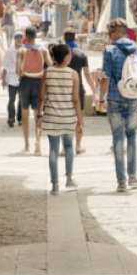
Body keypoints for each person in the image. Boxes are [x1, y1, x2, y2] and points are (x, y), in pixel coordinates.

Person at [98, 18, 137, 192]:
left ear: (115, 32)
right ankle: (133, 177)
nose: (109, 37)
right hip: (132, 99)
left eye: (109, 33)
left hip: (114, 98)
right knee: (132, 137)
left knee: (117, 139)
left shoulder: (109, 50)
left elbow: (105, 77)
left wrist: (100, 99)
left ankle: (121, 181)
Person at [37, 44, 83, 195]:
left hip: (51, 117)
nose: (70, 57)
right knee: (69, 146)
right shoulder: (73, 74)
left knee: (53, 149)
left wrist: (39, 115)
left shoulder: (47, 72)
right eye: (69, 54)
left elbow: (41, 97)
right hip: (68, 117)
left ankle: (55, 184)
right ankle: (69, 179)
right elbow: (76, 100)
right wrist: (80, 120)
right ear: (65, 56)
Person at [17, 26, 51, 155]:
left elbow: (17, 70)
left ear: (26, 36)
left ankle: (26, 144)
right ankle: (38, 142)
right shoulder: (43, 50)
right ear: (36, 35)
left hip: (25, 81)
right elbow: (51, 65)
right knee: (39, 114)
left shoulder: (21, 50)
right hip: (39, 82)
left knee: (25, 114)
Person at [63, 28, 97, 154]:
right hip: (78, 89)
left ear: (64, 39)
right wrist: (94, 91)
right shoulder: (81, 54)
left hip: (63, 89)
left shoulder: (61, 53)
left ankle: (64, 147)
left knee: (64, 117)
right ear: (75, 38)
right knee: (79, 117)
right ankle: (78, 145)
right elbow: (87, 75)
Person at [0, 31, 24, 128]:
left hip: (22, 78)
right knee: (12, 99)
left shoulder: (25, 50)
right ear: (14, 39)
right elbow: (5, 66)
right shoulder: (10, 51)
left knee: (22, 100)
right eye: (17, 37)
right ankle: (11, 118)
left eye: (20, 37)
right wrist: (3, 79)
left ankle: (20, 118)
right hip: (12, 78)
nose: (19, 39)